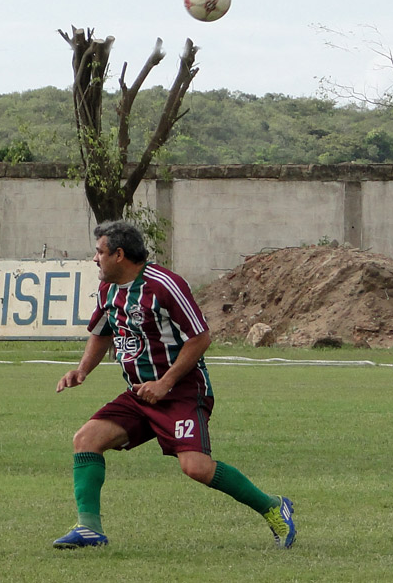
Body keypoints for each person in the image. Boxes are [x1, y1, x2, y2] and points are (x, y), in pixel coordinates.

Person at [53, 220, 296, 550]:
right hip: (140, 394)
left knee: (195, 467)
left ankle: (272, 507)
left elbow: (201, 337)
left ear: (119, 255)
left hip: (181, 391)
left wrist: (165, 383)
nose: (95, 258)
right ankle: (89, 529)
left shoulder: (165, 285)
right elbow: (102, 332)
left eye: (99, 252)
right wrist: (82, 371)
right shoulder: (109, 290)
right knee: (86, 440)